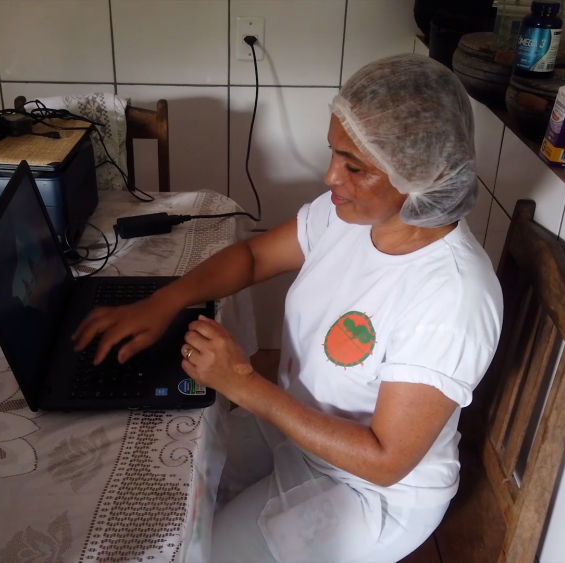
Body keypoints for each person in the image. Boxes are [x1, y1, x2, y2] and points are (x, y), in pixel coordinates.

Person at [73, 54, 503, 562]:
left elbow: (386, 460)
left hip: (365, 490)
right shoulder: (351, 215)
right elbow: (255, 256)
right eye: (333, 153)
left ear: (421, 175)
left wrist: (243, 384)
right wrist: (163, 302)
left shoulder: (451, 296)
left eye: (354, 167)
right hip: (293, 423)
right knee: (165, 494)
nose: (329, 176)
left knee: (194, 554)